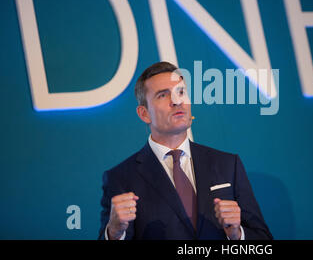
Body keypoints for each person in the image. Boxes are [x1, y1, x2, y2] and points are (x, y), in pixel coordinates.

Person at [98, 61, 272, 240]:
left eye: (181, 92)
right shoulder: (120, 178)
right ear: (144, 114)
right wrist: (114, 233)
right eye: (163, 95)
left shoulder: (228, 164)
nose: (176, 101)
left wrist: (237, 234)